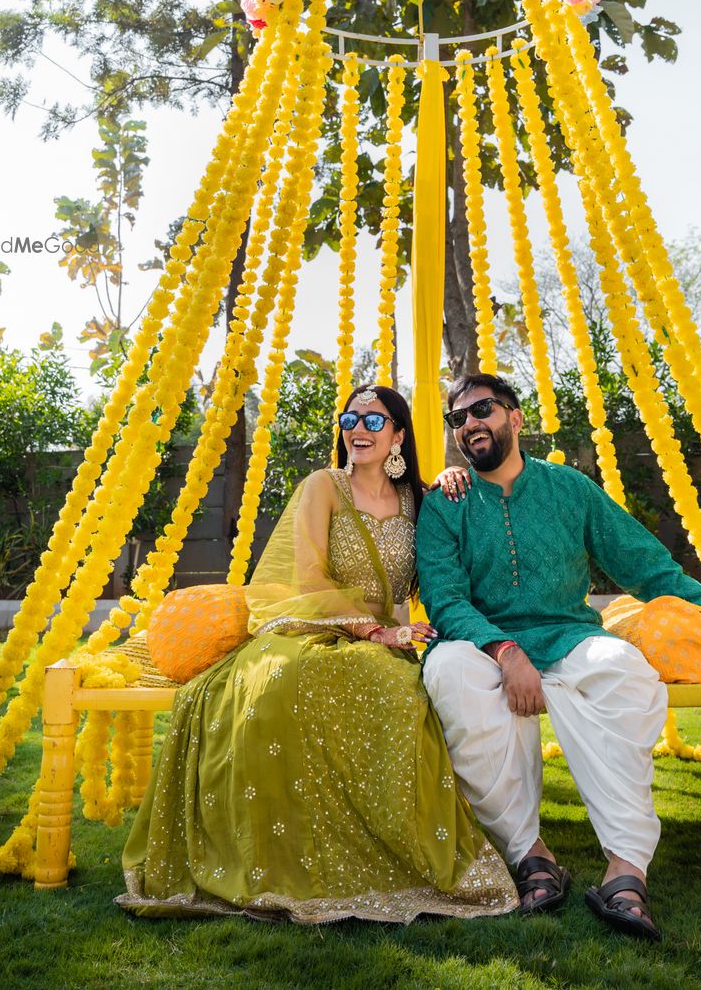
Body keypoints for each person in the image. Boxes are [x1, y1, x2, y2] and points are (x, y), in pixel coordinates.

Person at [117, 383, 518, 924]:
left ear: (399, 435)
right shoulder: (324, 486)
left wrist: (454, 476)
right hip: (313, 627)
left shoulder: (419, 501)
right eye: (350, 420)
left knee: (399, 692)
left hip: (387, 643)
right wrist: (369, 632)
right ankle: (282, 856)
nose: (358, 430)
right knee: (284, 686)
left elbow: (452, 553)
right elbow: (308, 577)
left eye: (375, 422)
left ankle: (390, 847)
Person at [416, 372, 701, 941]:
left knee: (626, 670)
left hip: (568, 636)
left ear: (515, 418)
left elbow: (647, 565)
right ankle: (531, 855)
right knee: (449, 671)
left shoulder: (569, 489)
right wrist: (505, 651)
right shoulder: (445, 505)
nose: (471, 424)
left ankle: (627, 868)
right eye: (459, 418)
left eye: (483, 410)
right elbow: (446, 599)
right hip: (484, 644)